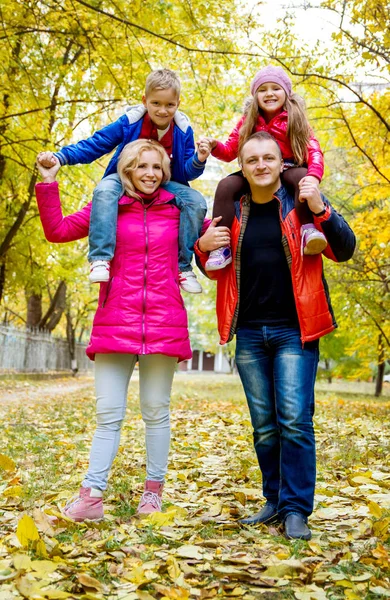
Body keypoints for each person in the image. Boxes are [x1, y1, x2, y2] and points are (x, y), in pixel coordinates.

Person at [195, 131, 355, 540]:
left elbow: (345, 247)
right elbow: (213, 264)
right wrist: (201, 247)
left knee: (295, 421)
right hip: (248, 330)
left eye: (269, 158)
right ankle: (274, 500)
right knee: (264, 424)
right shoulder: (233, 209)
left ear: (280, 162)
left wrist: (321, 209)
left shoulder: (300, 206)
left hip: (295, 329)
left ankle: (297, 509)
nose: (261, 165)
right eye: (252, 160)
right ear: (243, 168)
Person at [35, 139, 193, 522]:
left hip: (163, 321)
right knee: (108, 414)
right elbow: (56, 230)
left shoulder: (178, 211)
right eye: (141, 166)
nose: (150, 174)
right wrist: (48, 182)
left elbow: (207, 244)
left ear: (165, 172)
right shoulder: (107, 208)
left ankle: (152, 494)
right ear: (126, 171)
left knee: (156, 411)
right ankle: (91, 496)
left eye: (157, 167)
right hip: (115, 321)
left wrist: (210, 240)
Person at [37, 68, 210, 293]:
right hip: (120, 181)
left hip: (165, 313)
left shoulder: (183, 130)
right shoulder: (107, 203)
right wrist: (61, 158)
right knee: (104, 189)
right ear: (145, 101)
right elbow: (96, 143)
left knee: (196, 200)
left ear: (178, 103)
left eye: (169, 105)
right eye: (156, 103)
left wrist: (199, 159)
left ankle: (183, 268)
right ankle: (100, 258)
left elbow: (189, 177)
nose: (162, 110)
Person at [201, 65, 328, 271]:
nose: (269, 93)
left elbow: (313, 150)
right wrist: (215, 146)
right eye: (262, 89)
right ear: (255, 95)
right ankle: (221, 246)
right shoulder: (248, 121)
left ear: (286, 93)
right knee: (226, 185)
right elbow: (230, 151)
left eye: (275, 88)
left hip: (289, 167)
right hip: (257, 170)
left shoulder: (295, 119)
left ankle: (308, 230)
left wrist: (314, 176)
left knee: (302, 177)